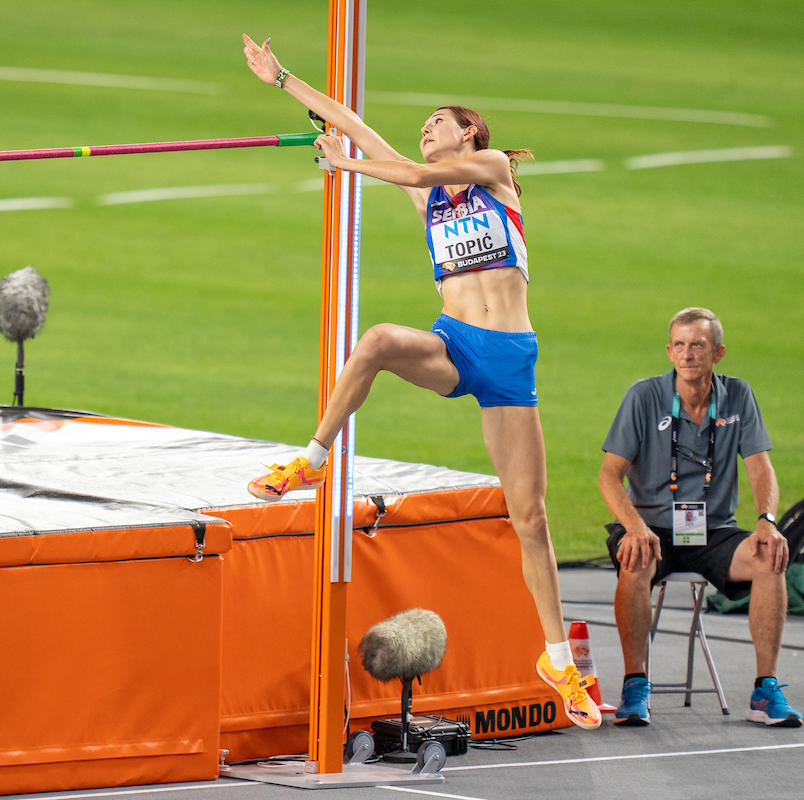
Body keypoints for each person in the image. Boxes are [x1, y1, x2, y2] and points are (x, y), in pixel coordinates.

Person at [240, 35, 600, 730]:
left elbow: (400, 169)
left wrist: (348, 164)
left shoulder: (493, 169)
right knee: (375, 340)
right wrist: (281, 78)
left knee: (531, 519)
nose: (427, 128)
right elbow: (347, 119)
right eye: (424, 125)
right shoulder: (425, 197)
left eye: (439, 120)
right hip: (454, 344)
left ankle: (558, 659)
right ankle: (310, 460)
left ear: (469, 132)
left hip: (510, 361)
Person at [599, 307, 799, 727]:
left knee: (770, 556)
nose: (688, 354)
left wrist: (767, 520)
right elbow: (609, 476)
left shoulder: (738, 396)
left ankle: (765, 690)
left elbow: (761, 468)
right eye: (680, 345)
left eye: (698, 345)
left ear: (718, 353)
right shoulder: (644, 397)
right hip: (651, 529)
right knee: (634, 558)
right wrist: (634, 527)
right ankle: (635, 686)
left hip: (714, 531)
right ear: (669, 351)